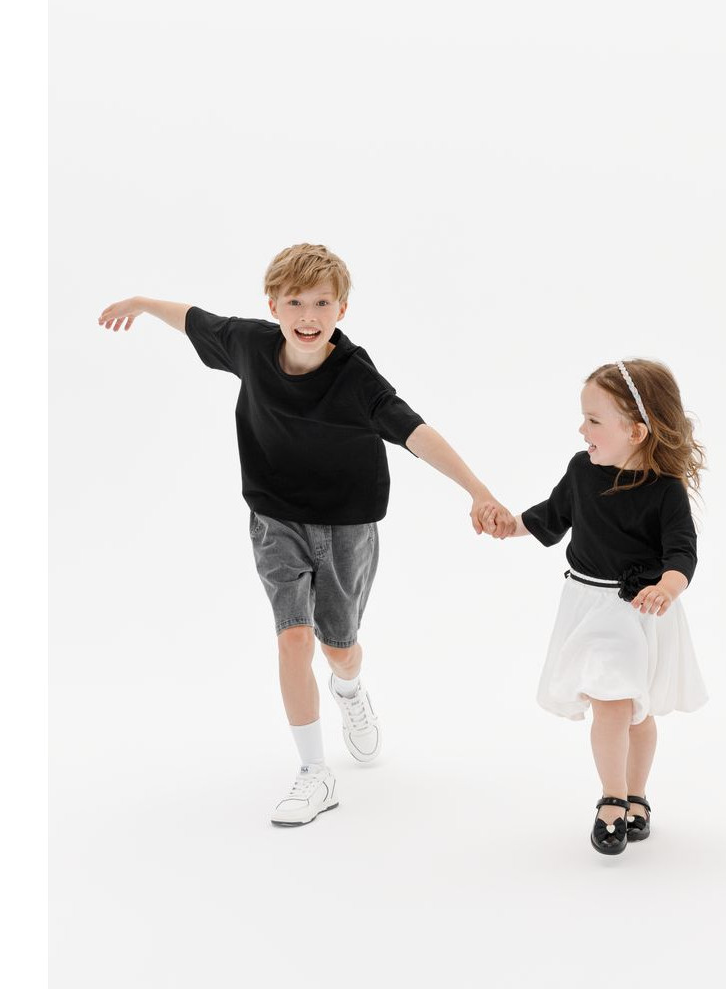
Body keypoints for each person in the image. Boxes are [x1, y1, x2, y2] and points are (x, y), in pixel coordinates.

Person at [98, 243, 514, 826]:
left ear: (342, 309)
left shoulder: (357, 378)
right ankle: (315, 772)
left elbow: (416, 432)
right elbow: (193, 317)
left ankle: (349, 689)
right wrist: (142, 302)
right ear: (273, 306)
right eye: (295, 302)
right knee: (293, 639)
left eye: (321, 303)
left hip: (347, 525)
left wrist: (478, 490)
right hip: (276, 518)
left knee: (338, 647)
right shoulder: (249, 345)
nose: (308, 316)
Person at [479, 359, 707, 855]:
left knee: (635, 713)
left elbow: (682, 552)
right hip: (591, 607)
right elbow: (550, 517)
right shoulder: (582, 471)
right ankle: (612, 797)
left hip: (641, 610)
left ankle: (634, 795)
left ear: (636, 431)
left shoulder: (665, 489)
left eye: (594, 420)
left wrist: (667, 587)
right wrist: (508, 524)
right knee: (612, 702)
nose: (582, 429)